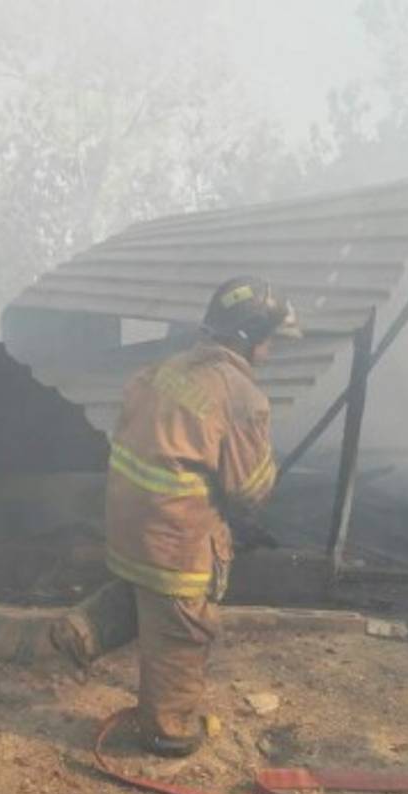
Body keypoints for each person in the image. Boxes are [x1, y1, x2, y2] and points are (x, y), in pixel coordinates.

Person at [103, 276, 301, 757]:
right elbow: (249, 489)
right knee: (182, 629)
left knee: (144, 597)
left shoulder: (164, 369)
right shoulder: (240, 395)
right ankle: (166, 732)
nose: (270, 351)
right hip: (177, 538)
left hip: (127, 525)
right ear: (247, 337)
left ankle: (73, 636)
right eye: (268, 340)